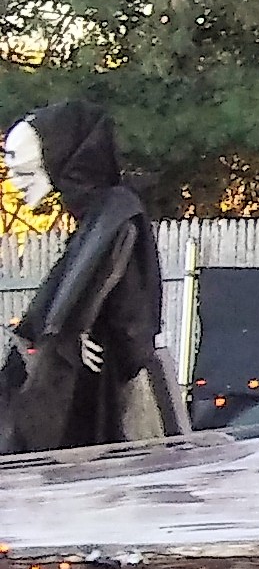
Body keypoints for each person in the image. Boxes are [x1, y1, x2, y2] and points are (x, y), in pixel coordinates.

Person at [2, 99, 186, 454]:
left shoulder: (114, 215)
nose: (16, 184)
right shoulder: (97, 222)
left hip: (125, 397)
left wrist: (77, 328)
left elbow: (111, 295)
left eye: (27, 173)